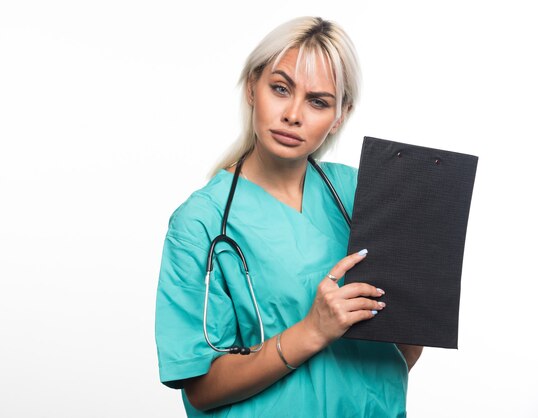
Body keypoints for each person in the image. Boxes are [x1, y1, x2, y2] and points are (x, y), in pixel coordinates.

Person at [155, 16, 423, 417]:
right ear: (251, 86)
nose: (293, 114)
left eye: (318, 101)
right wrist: (313, 332)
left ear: (340, 115)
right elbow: (200, 388)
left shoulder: (364, 195)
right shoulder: (201, 223)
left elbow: (404, 343)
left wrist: (420, 304)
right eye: (281, 89)